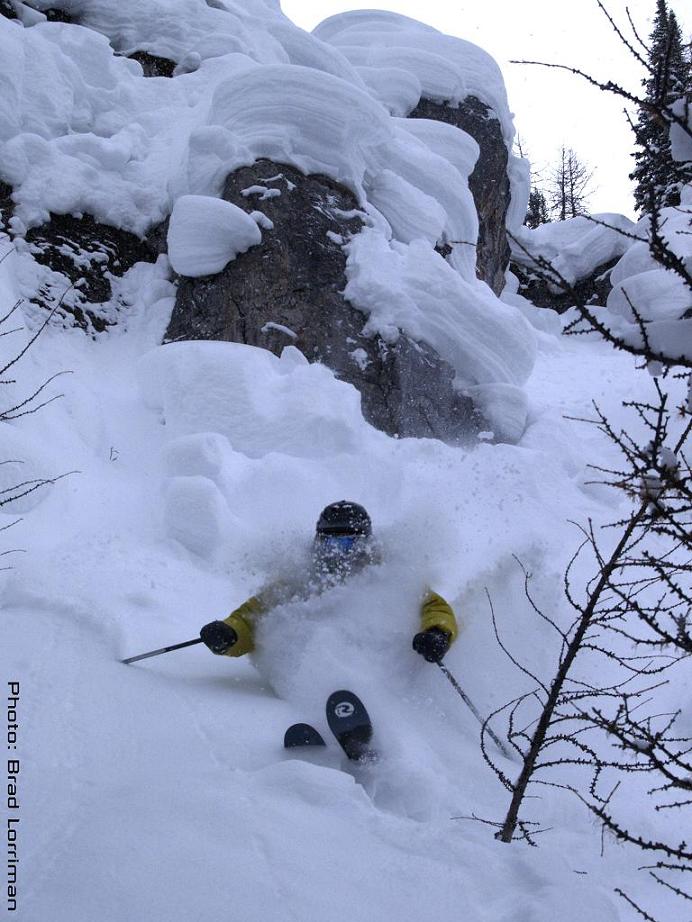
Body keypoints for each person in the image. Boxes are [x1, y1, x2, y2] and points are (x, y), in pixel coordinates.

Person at [200, 500, 459, 663]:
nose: (339, 553)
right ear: (318, 543)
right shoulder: (301, 577)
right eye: (332, 543)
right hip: (316, 665)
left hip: (376, 664)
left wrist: (436, 634)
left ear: (366, 543)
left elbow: (434, 608)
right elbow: (252, 616)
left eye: (349, 543)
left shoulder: (387, 574)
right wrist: (229, 634)